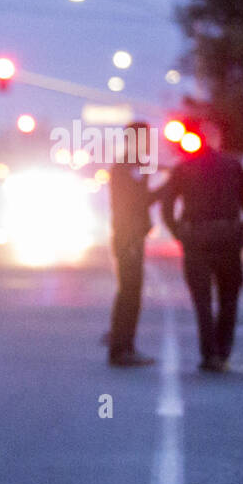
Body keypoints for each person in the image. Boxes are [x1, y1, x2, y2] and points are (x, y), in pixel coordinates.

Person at [159, 122, 243, 372]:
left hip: (196, 240)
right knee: (229, 298)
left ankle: (209, 355)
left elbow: (166, 207)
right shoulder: (232, 165)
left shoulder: (183, 168)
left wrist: (179, 233)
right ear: (217, 139)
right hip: (228, 238)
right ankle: (222, 351)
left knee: (202, 301)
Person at [106, 121, 157, 367]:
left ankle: (122, 341)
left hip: (132, 235)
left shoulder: (136, 165)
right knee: (130, 292)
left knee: (129, 290)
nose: (148, 142)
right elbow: (133, 203)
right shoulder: (128, 166)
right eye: (145, 138)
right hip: (128, 237)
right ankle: (122, 346)